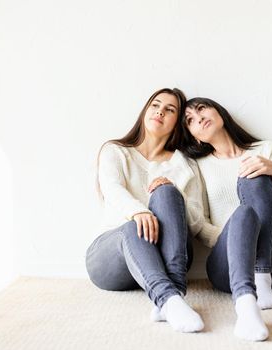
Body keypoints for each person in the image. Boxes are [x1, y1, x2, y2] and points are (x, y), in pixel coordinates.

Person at [86, 88, 216, 333]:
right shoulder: (115, 151)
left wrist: (173, 192)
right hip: (111, 257)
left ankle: (173, 294)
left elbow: (197, 220)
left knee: (166, 192)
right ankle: (169, 298)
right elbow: (112, 190)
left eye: (170, 109)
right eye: (155, 105)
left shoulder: (184, 164)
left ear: (177, 123)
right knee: (131, 228)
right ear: (145, 111)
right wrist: (140, 212)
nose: (160, 111)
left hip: (168, 260)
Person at [179, 97, 272, 341]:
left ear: (219, 112)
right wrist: (238, 237)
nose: (199, 118)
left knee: (255, 172)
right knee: (244, 213)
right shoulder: (197, 164)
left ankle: (263, 275)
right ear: (194, 136)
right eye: (190, 120)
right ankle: (249, 300)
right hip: (228, 266)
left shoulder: (264, 149)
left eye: (202, 109)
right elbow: (197, 222)